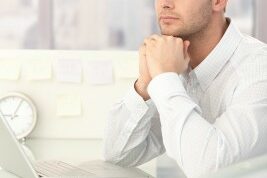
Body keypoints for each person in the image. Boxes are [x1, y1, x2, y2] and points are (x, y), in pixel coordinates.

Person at [103, 0, 267, 177]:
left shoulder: (259, 69)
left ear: (218, 2)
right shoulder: (176, 66)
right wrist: (145, 84)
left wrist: (164, 78)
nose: (164, 3)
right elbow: (118, 155)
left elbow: (210, 168)